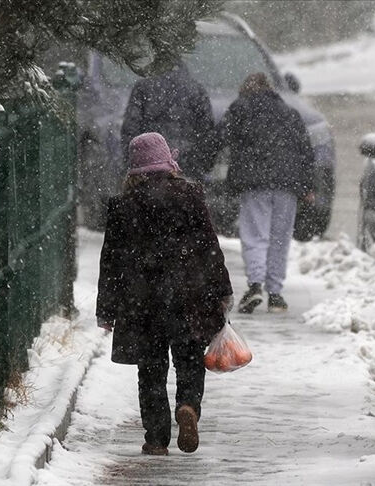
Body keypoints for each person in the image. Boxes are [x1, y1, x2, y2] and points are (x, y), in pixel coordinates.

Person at [96, 132, 233, 456]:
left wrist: (107, 307)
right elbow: (208, 247)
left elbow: (111, 259)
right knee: (189, 360)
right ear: (168, 161)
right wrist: (221, 290)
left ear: (134, 167)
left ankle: (156, 438)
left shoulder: (123, 205)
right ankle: (187, 406)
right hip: (188, 295)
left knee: (151, 369)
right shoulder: (190, 195)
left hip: (142, 301)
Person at [220, 73, 316, 314]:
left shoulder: (240, 108)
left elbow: (219, 138)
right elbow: (306, 151)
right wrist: (308, 186)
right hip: (287, 184)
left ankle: (254, 285)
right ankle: (275, 294)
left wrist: (201, 165)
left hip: (255, 183)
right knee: (280, 238)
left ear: (245, 90)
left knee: (255, 235)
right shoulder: (289, 113)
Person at [121, 60, 216, 181]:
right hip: (188, 163)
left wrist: (132, 163)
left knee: (152, 197)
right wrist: (202, 164)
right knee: (184, 197)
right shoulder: (196, 89)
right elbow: (207, 131)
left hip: (150, 165)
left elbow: (130, 128)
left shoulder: (143, 87)